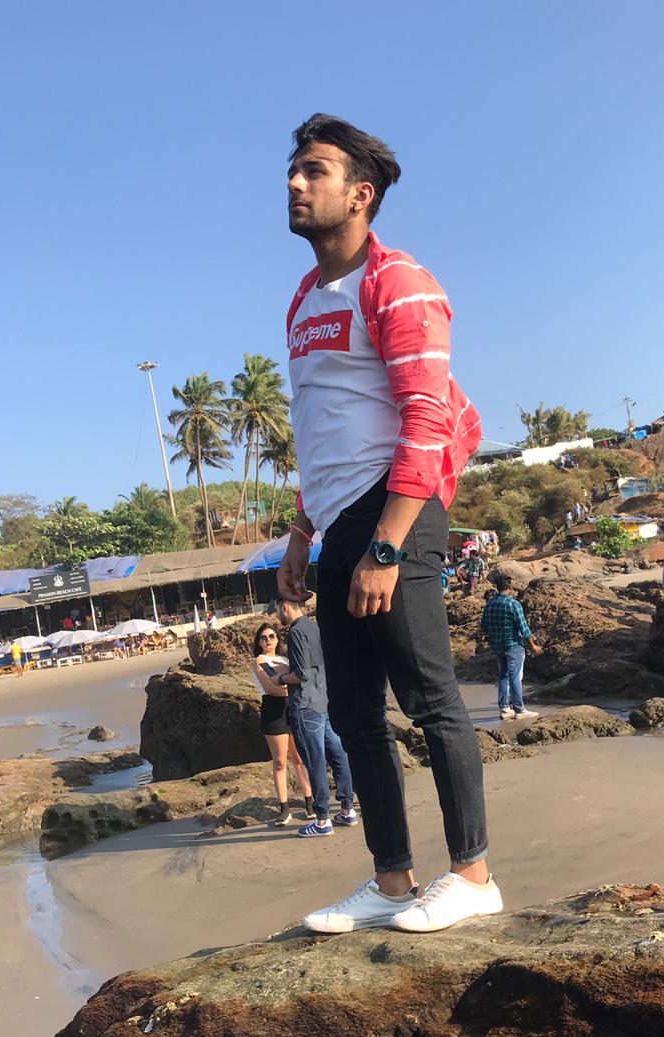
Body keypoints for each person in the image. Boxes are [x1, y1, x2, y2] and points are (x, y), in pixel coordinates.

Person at [278, 112, 500, 934]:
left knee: (430, 698)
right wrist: (302, 535)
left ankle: (473, 875)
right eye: (294, 171)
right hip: (338, 519)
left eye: (314, 171)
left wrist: (387, 543)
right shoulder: (304, 299)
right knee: (353, 714)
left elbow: (426, 416)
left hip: (395, 511)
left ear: (360, 195)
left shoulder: (398, 281)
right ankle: (392, 879)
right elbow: (321, 429)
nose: (296, 184)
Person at [275, 597, 357, 838]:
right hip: (324, 701)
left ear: (285, 607)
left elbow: (301, 673)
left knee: (315, 761)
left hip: (305, 705)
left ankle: (322, 819)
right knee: (337, 755)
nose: (277, 615)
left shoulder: (296, 632)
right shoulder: (315, 627)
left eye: (277, 610)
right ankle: (347, 808)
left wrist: (280, 678)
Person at [252, 621, 315, 825]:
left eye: (272, 636)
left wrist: (289, 688)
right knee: (279, 761)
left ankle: (309, 802)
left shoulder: (285, 660)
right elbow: (270, 688)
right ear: (259, 642)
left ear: (278, 639)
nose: (268, 640)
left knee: (299, 758)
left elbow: (300, 677)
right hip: (273, 711)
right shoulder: (259, 660)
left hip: (293, 708)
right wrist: (290, 688)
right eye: (263, 637)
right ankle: (284, 808)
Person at [481, 573, 542, 720]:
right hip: (513, 645)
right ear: (509, 586)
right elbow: (523, 628)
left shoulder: (489, 605)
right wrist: (533, 645)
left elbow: (484, 627)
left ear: (497, 586)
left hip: (498, 646)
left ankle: (504, 708)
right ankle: (519, 709)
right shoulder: (513, 604)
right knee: (514, 677)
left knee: (503, 675)